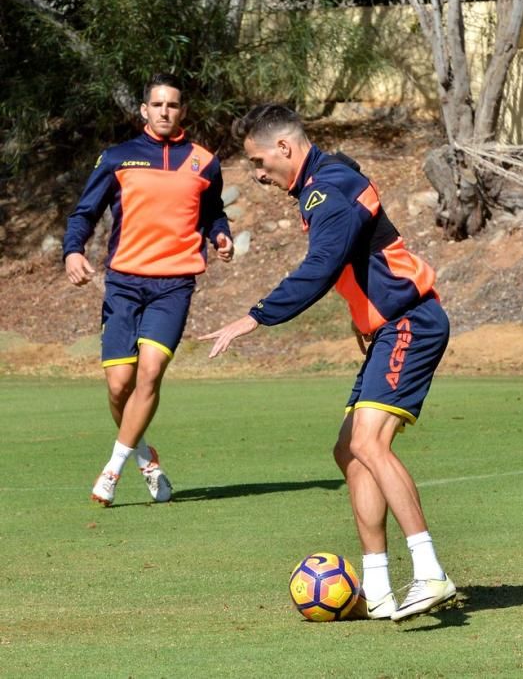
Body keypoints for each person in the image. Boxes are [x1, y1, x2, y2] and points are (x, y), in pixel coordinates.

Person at [199, 104, 456, 622]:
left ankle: (430, 571)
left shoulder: (325, 191)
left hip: (412, 322)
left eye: (258, 161)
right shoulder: (327, 180)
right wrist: (363, 320)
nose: (257, 174)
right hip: (387, 328)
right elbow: (358, 260)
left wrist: (256, 316)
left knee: (368, 442)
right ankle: (378, 586)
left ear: (285, 149)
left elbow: (322, 264)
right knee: (349, 450)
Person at [63, 73, 233, 506]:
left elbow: (213, 214)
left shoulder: (204, 162)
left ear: (183, 111)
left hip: (174, 285)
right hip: (123, 284)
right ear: (144, 109)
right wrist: (72, 251)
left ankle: (112, 470)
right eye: (157, 104)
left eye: (173, 105)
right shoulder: (117, 158)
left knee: (151, 372)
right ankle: (144, 456)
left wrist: (221, 235)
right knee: (120, 385)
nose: (164, 111)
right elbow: (85, 212)